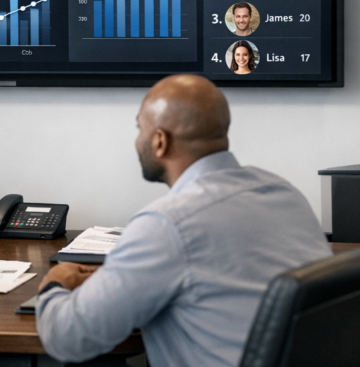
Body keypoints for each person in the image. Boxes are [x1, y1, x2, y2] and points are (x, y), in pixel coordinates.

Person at [35, 75, 331, 367]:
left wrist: (56, 282)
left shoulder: (167, 224)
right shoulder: (283, 192)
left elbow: (68, 337)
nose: (137, 140)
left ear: (160, 141)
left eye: (140, 129)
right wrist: (120, 276)